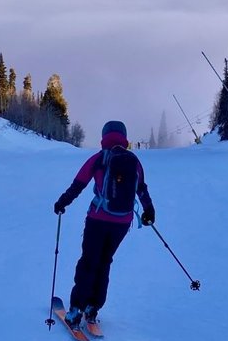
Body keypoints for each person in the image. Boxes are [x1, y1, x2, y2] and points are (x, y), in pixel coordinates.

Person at [53, 120, 155, 329]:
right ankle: (93, 308)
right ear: (124, 137)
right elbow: (141, 189)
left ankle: (75, 310)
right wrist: (149, 210)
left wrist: (62, 202)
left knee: (89, 261)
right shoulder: (133, 161)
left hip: (98, 219)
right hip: (122, 222)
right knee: (105, 262)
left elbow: (78, 184)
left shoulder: (99, 159)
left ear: (104, 136)